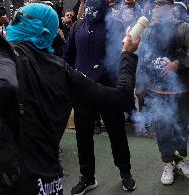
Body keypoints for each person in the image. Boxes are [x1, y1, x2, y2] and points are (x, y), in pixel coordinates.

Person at [0, 3, 140, 195]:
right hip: (50, 184)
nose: (13, 23)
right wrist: (127, 55)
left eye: (19, 19)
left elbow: (2, 86)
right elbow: (122, 98)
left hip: (11, 180)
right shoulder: (63, 70)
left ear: (36, 26)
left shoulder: (5, 53)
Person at [63, 0, 136, 193]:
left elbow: (122, 55)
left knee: (117, 133)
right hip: (82, 92)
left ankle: (125, 173)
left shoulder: (116, 25)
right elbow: (68, 57)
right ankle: (87, 177)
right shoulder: (78, 26)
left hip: (108, 90)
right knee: (83, 137)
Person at [136, 0, 189, 185]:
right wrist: (139, 84)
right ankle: (167, 162)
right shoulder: (149, 30)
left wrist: (178, 63)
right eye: (156, 4)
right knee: (162, 128)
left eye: (162, 3)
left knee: (181, 126)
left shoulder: (184, 28)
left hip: (179, 89)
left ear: (171, 7)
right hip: (155, 89)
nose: (157, 7)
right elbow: (142, 59)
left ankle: (180, 159)